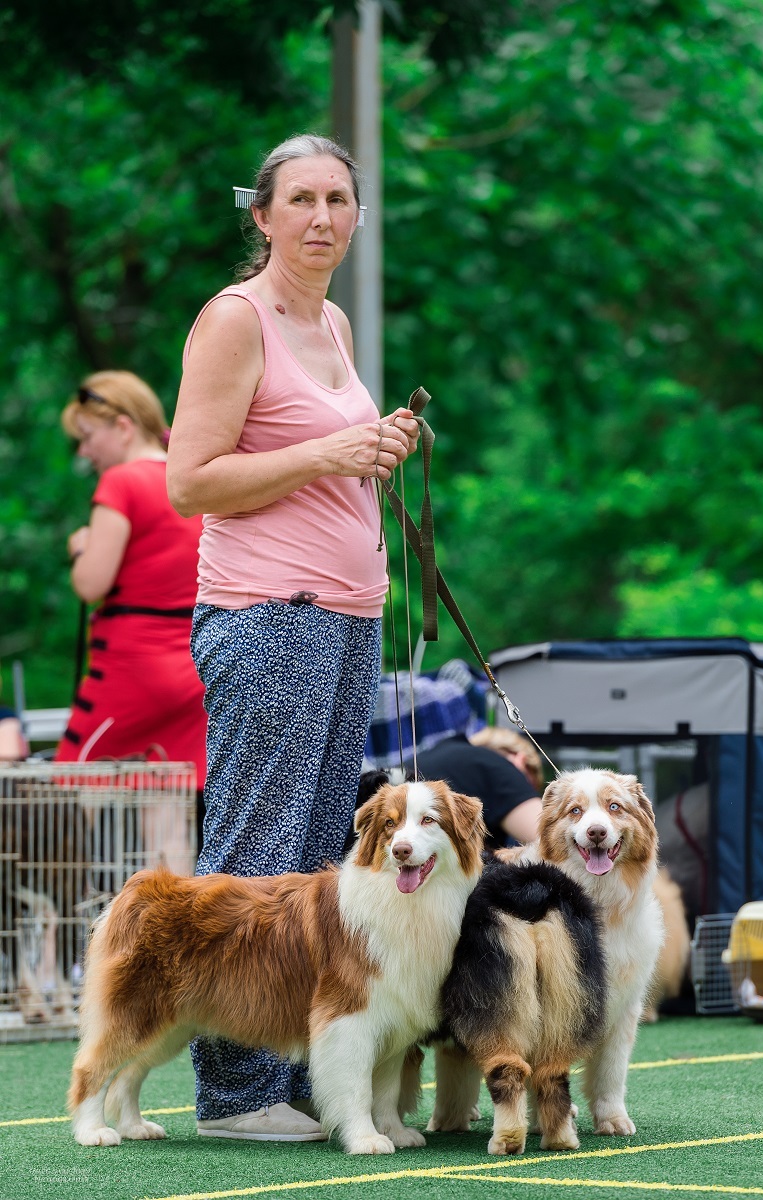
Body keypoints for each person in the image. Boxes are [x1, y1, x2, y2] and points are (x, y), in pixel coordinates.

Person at [166, 134, 420, 1143]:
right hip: (272, 617)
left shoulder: (334, 322)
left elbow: (324, 460)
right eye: (301, 200)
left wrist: (378, 451)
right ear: (261, 216)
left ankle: (311, 1074)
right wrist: (330, 450)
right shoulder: (237, 320)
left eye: (339, 200)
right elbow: (191, 480)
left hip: (348, 619)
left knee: (324, 865)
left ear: (357, 217)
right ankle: (231, 1094)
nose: (322, 217)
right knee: (257, 855)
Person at [54, 370, 207, 872]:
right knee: (168, 817)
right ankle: (175, 940)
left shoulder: (121, 481)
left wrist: (81, 548)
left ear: (122, 426)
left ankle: (56, 943)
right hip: (190, 670)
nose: (84, 453)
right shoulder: (191, 480)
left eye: (86, 437)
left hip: (129, 670)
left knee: (64, 798)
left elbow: (91, 583)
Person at [414, 727, 543, 850]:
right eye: (529, 786)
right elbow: (548, 842)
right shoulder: (501, 768)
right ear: (521, 761)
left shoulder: (430, 756)